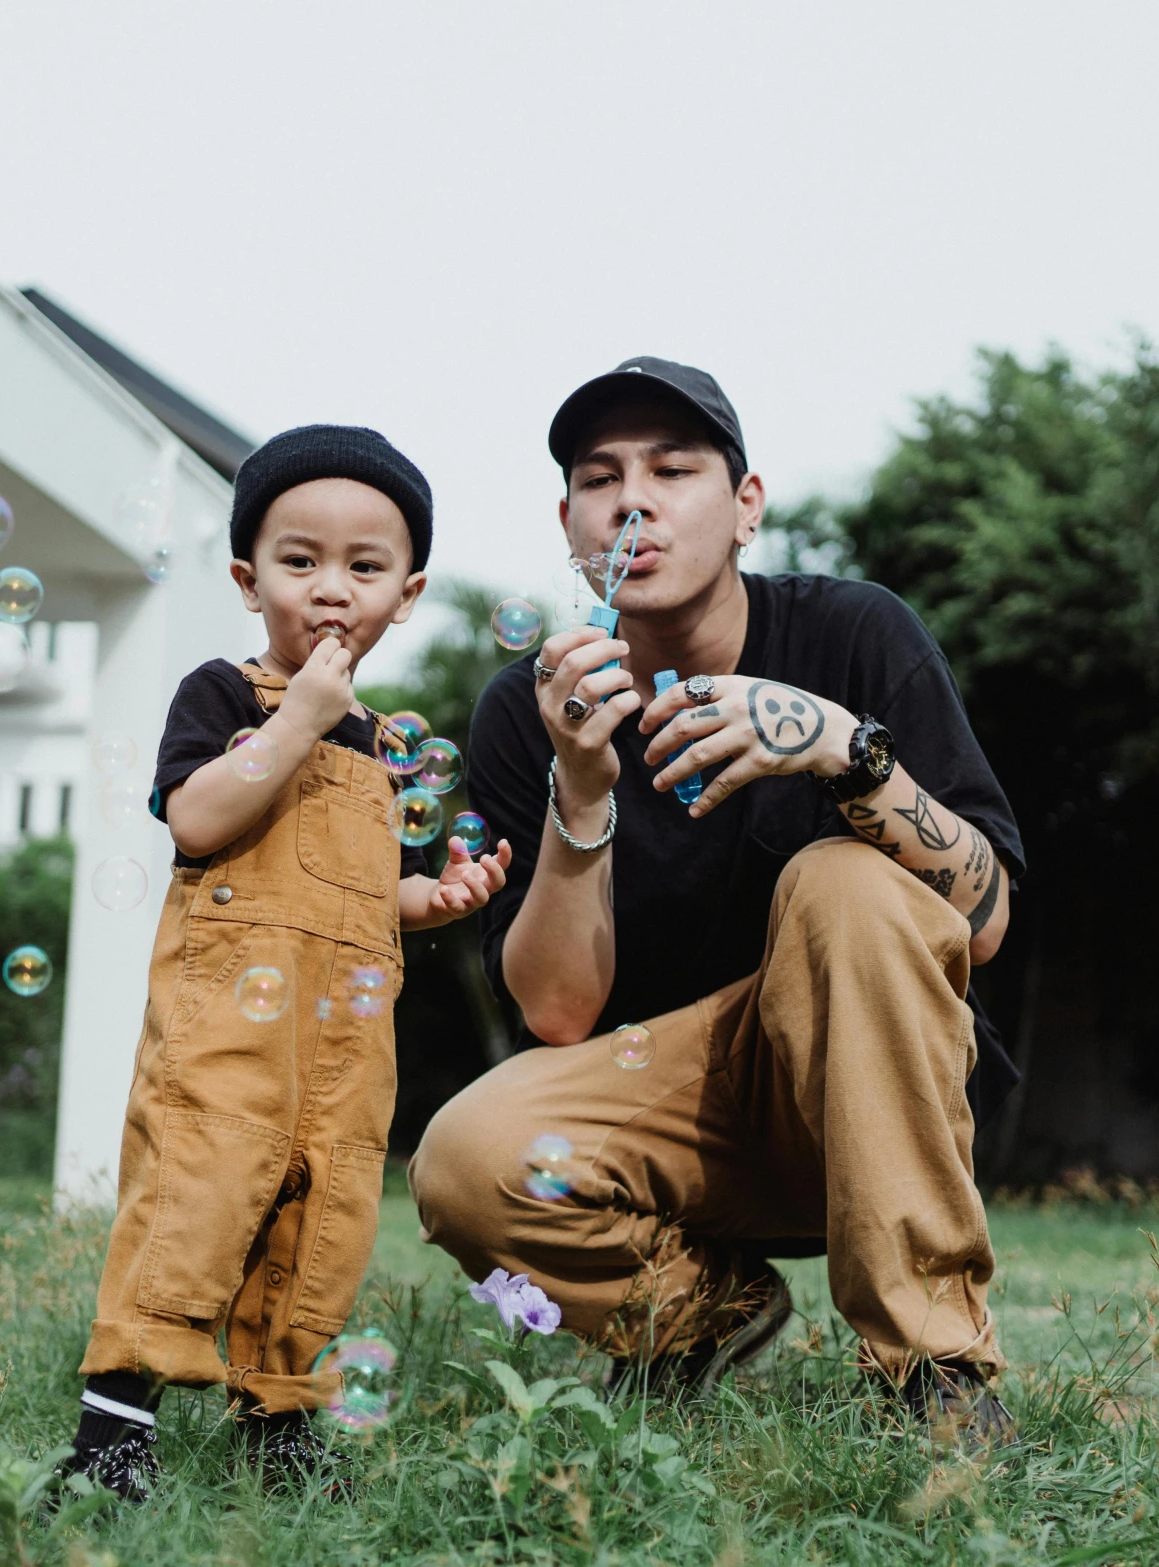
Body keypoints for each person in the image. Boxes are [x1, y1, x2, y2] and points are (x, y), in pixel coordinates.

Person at [409, 359, 1022, 1440]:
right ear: (570, 524)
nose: (632, 500)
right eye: (600, 478)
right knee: (460, 1164)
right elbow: (554, 1014)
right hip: (672, 1106)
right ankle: (698, 1313)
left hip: (876, 1090)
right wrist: (580, 792)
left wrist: (845, 751)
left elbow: (985, 916)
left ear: (746, 508)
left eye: (673, 468)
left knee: (838, 878)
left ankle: (937, 1372)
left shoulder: (853, 635)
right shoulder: (532, 709)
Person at [66, 425, 511, 1499]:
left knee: (323, 1227)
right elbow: (197, 815)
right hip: (231, 1028)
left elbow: (372, 886)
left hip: (348, 1048)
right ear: (246, 577)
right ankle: (113, 1436)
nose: (329, 589)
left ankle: (282, 1427)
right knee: (195, 1202)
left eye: (363, 567)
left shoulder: (380, 740)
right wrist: (298, 716)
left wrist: (434, 896)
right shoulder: (225, 694)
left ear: (404, 595)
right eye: (298, 560)